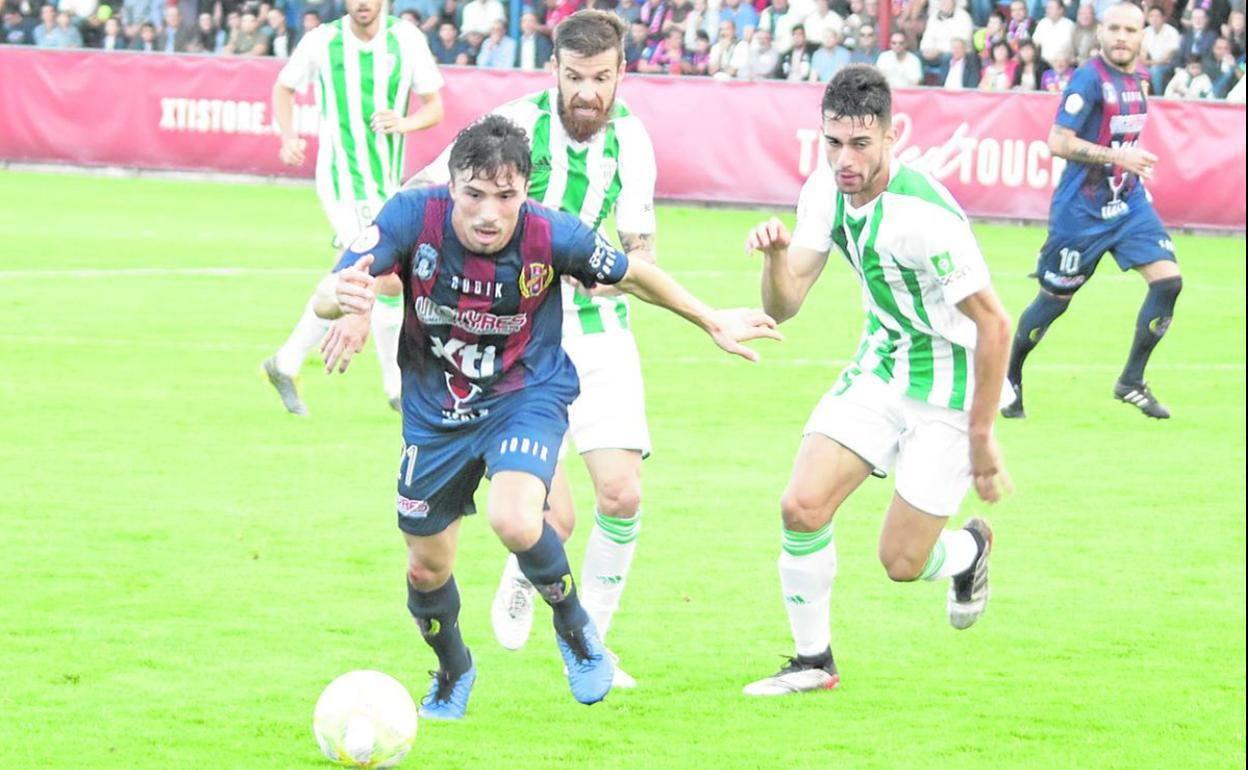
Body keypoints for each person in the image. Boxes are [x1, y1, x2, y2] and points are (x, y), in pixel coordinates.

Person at [315, 114, 780, 719]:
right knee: (426, 569)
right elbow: (331, 288)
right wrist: (341, 299)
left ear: (524, 192)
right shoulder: (410, 216)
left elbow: (634, 273)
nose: (489, 213)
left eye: (505, 196)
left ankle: (577, 630)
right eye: (475, 195)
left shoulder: (553, 235)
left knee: (516, 519)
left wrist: (711, 318)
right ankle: (454, 669)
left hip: (523, 395)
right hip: (435, 411)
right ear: (451, 185)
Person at [405, 9, 662, 691]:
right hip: (515, 331)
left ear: (620, 74)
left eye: (600, 78)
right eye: (574, 77)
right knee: (556, 515)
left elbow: (639, 243)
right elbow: (426, 190)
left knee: (623, 493)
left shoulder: (634, 141)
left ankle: (594, 643)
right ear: (554, 70)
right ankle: (527, 564)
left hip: (598, 327)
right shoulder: (512, 127)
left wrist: (627, 274)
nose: (587, 92)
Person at [741, 64, 1011, 696]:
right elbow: (785, 305)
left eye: (861, 144)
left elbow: (995, 326)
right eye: (832, 142)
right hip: (882, 363)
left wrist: (982, 437)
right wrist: (778, 256)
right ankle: (814, 662)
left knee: (901, 563)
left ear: (893, 136)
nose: (844, 158)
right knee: (800, 506)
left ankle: (970, 552)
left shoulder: (924, 216)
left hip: (948, 386)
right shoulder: (824, 191)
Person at [262, 0, 445, 415]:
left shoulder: (406, 39)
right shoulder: (322, 41)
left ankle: (286, 363)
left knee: (375, 278)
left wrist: (405, 123)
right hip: (343, 180)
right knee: (376, 275)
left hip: (384, 180)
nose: (363, 3)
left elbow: (435, 107)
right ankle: (397, 388)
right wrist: (288, 136)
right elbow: (283, 88)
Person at [1004, 2, 1182, 420]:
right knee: (1053, 303)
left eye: (1131, 30)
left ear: (1142, 37)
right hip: (1080, 213)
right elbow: (1058, 141)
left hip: (1127, 205)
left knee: (1168, 282)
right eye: (1115, 28)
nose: (1122, 37)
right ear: (1101, 33)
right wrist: (1116, 158)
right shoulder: (1088, 79)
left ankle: (1131, 381)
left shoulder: (1140, 78)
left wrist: (1127, 169)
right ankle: (1010, 376)